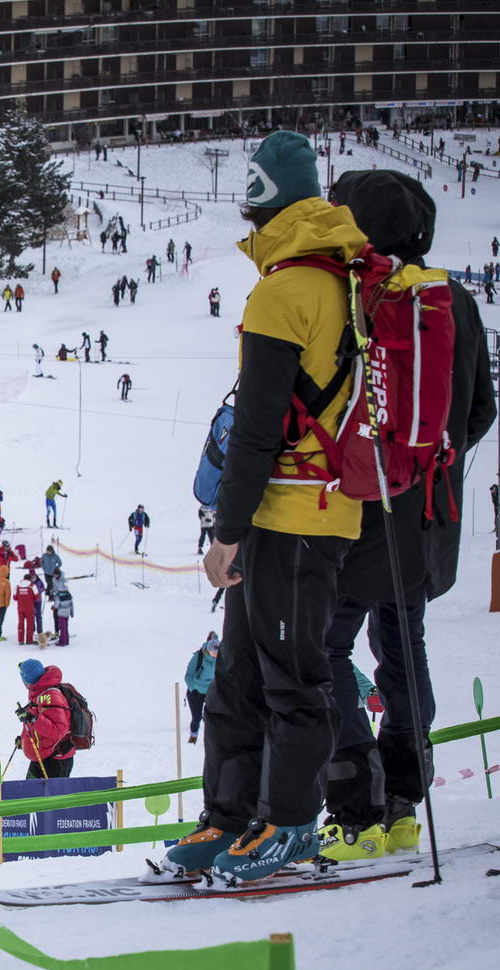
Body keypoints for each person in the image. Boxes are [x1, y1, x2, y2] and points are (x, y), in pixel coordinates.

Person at [172, 131, 369, 889]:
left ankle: (286, 822)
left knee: (287, 678)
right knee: (241, 677)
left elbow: (257, 429)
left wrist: (226, 533)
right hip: (301, 512)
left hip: (294, 518)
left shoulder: (285, 290)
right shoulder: (336, 276)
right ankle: (230, 815)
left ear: (261, 207)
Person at [317, 168, 496, 858]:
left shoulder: (354, 295)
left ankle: (356, 807)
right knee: (403, 645)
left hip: (353, 511)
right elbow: (481, 409)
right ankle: (400, 802)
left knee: (324, 649)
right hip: (426, 516)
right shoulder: (450, 299)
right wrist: (426, 462)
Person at [15, 659, 76, 779]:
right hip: (43, 754)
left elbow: (58, 731)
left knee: (47, 797)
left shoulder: (51, 696)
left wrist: (32, 719)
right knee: (30, 794)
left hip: (56, 759)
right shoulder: (38, 692)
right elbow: (40, 723)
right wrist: (24, 739)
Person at [183, 633, 219, 744]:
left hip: (211, 691)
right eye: (214, 653)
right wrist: (194, 687)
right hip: (196, 692)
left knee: (215, 716)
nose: (216, 655)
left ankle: (213, 739)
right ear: (208, 650)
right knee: (196, 717)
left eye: (217, 652)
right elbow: (188, 676)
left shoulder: (221, 658)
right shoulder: (198, 657)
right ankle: (193, 736)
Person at [14, 571, 40, 646]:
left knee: (21, 623)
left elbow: (15, 598)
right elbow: (37, 597)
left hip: (20, 608)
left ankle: (21, 640)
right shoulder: (32, 586)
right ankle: (29, 640)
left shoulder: (18, 586)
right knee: (30, 624)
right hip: (30, 608)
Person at [50, 577, 73, 646]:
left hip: (61, 613)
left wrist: (53, 607)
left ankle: (62, 642)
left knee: (62, 627)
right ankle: (66, 640)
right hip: (67, 612)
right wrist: (71, 612)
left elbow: (56, 605)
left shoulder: (58, 595)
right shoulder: (69, 594)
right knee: (66, 627)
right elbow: (72, 604)